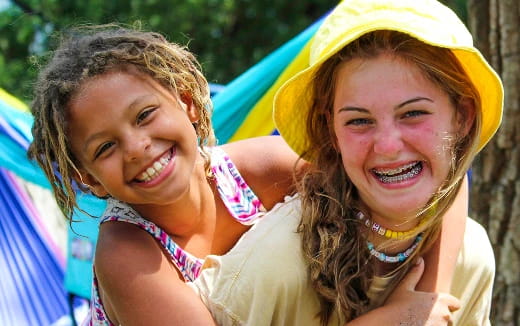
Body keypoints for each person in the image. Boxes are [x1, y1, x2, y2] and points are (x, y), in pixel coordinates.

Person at [28, 20, 472, 326]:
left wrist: (425, 300)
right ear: (85, 177)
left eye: (145, 115)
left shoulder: (259, 170)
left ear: (186, 104)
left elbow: (436, 182)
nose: (137, 147)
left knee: (474, 246)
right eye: (105, 147)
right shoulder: (127, 251)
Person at [189, 0, 502, 325]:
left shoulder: (470, 255)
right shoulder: (278, 264)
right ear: (330, 130)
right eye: (359, 121)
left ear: (462, 117)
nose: (389, 146)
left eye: (413, 113)